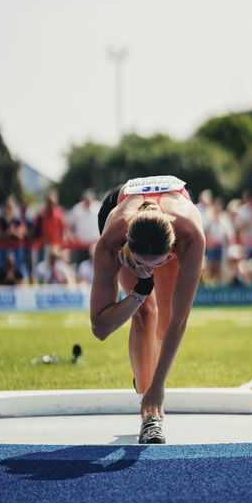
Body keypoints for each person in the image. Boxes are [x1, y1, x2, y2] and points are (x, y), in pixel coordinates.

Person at [90, 175, 205, 444]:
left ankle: (151, 390)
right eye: (143, 263)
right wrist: (140, 291)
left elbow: (179, 322)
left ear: (172, 248)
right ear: (127, 243)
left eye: (159, 263)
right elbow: (100, 328)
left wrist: (159, 386)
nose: (152, 270)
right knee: (145, 313)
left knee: (165, 320)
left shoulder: (190, 236)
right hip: (119, 206)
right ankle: (149, 413)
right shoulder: (111, 241)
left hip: (167, 224)